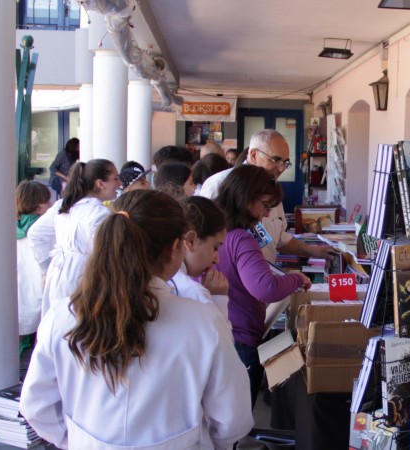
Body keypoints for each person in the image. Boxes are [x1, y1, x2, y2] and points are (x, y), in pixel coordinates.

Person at [20, 189, 253, 449]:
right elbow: (233, 418)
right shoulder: (204, 322)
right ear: (176, 247)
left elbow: (36, 405)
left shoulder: (63, 316)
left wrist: (81, 440)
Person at [215, 164, 312, 408]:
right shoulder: (241, 238)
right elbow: (265, 287)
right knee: (236, 413)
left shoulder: (219, 231)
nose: (267, 214)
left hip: (223, 330)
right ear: (247, 199)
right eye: (266, 206)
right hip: (240, 336)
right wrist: (296, 278)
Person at [200, 129, 334, 263]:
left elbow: (279, 239)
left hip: (265, 276)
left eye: (285, 162)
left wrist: (315, 251)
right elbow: (203, 239)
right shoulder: (218, 184)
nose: (281, 168)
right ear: (253, 155)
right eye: (275, 160)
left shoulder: (271, 193)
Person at [28, 159, 120, 317]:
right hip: (83, 279)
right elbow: (107, 254)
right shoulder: (97, 213)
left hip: (58, 276)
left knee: (57, 325)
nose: (119, 183)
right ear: (100, 183)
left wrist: (46, 268)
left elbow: (35, 234)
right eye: (115, 178)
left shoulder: (63, 205)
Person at [172, 196, 230, 319]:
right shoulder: (193, 294)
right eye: (215, 247)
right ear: (190, 241)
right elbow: (218, 337)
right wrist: (217, 299)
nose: (216, 260)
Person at [15, 180, 52, 343]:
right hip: (41, 285)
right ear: (37, 207)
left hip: (19, 287)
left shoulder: (10, 226)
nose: (51, 205)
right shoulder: (43, 228)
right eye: (47, 202)